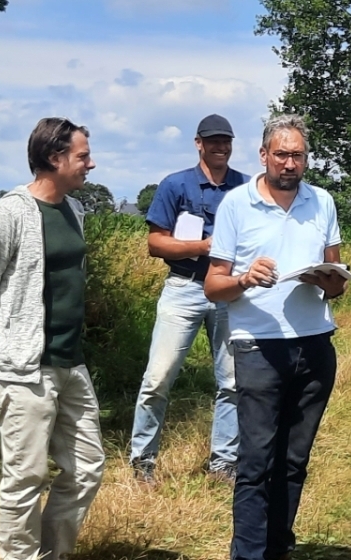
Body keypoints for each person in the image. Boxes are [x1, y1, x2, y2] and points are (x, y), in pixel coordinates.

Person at [0, 117, 106, 560]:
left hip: (69, 363)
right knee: (25, 477)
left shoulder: (73, 211)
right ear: (53, 158)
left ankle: (51, 553)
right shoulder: (8, 214)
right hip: (22, 368)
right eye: (82, 156)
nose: (91, 164)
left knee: (87, 467)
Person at [205, 114, 347, 560]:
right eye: (281, 154)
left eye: (298, 155)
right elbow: (213, 285)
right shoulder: (235, 205)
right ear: (264, 155)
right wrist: (246, 278)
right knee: (255, 463)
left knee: (293, 461)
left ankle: (278, 547)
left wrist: (327, 280)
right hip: (258, 347)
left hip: (315, 344)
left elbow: (337, 279)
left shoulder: (321, 202)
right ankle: (247, 554)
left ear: (307, 160)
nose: (289, 163)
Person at [128, 114, 247, 484]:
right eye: (213, 141)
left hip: (228, 291)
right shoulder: (175, 185)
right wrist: (202, 247)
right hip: (183, 288)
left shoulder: (245, 187)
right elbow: (155, 243)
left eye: (225, 141)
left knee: (231, 381)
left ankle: (223, 463)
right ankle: (142, 461)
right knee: (158, 378)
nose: (220, 147)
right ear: (198, 143)